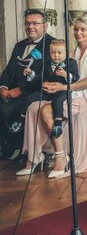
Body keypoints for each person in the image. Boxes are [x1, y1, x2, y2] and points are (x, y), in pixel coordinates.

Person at [20, 15, 87, 177]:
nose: (78, 33)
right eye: (76, 29)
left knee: (47, 111)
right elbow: (57, 75)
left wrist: (63, 86)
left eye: (83, 30)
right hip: (69, 92)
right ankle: (34, 157)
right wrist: (47, 83)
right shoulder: (71, 52)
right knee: (33, 108)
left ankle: (61, 157)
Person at [0, 10, 54, 160]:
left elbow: (47, 75)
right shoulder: (19, 45)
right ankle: (7, 145)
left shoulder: (52, 44)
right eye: (27, 23)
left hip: (35, 92)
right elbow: (8, 71)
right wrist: (3, 87)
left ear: (45, 25)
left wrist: (19, 90)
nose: (31, 27)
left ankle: (22, 149)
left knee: (7, 110)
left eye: (35, 23)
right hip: (11, 90)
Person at [19, 39, 80, 139]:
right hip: (48, 90)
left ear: (66, 53)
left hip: (63, 90)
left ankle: (58, 125)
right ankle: (21, 121)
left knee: (57, 101)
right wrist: (31, 73)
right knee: (29, 98)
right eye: (53, 52)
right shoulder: (47, 63)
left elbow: (76, 77)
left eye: (59, 53)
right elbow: (40, 76)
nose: (56, 55)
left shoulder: (71, 63)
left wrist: (65, 74)